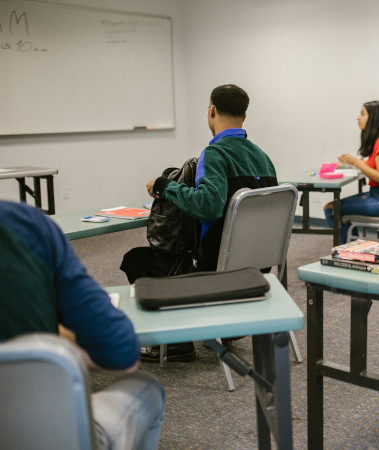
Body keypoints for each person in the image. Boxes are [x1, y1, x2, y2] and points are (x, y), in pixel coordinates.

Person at [121, 83, 278, 362]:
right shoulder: (263, 158)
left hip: (218, 268)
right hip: (257, 266)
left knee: (138, 260)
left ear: (212, 111)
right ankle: (224, 324)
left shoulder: (215, 153)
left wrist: (164, 186)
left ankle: (176, 343)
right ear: (244, 115)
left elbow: (209, 205)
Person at [0, 200, 165, 450]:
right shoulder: (23, 225)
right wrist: (56, 337)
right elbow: (120, 351)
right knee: (148, 386)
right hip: (46, 436)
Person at [324, 100, 379, 244]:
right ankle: (352, 246)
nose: (358, 118)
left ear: (374, 118)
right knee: (339, 209)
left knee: (331, 208)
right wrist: (354, 162)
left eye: (362, 114)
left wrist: (357, 162)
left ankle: (346, 250)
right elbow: (376, 168)